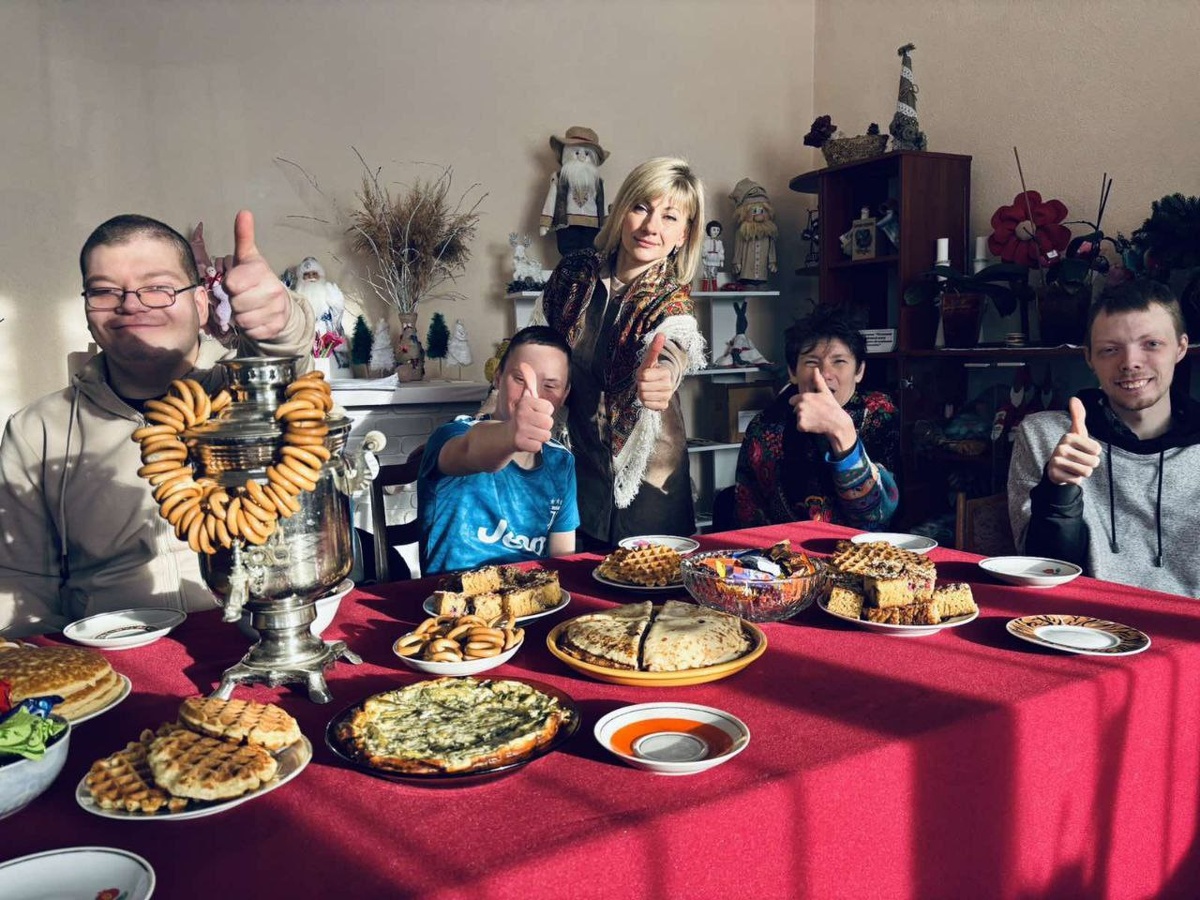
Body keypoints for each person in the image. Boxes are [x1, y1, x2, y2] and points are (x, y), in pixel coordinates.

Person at [0, 212, 315, 637]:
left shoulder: (247, 392)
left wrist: (280, 322)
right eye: (104, 291)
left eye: (158, 288)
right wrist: (42, 665)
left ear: (200, 303)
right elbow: (20, 584)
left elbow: (289, 360)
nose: (131, 304)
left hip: (258, 635)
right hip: (109, 651)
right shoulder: (37, 430)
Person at [536, 156, 708, 548]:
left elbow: (675, 341)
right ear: (621, 210)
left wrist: (663, 377)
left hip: (648, 484)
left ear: (684, 234)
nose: (651, 227)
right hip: (579, 474)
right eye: (641, 208)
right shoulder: (574, 273)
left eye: (669, 217)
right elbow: (536, 341)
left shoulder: (671, 298)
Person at [1009, 279, 1200, 597]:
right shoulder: (1046, 435)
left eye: (1151, 344)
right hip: (1082, 619)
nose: (1130, 363)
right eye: (1110, 350)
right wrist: (1059, 491)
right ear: (1089, 357)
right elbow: (1042, 569)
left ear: (1180, 348)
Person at [418, 326, 579, 575]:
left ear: (565, 393)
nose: (532, 395)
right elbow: (470, 449)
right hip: (453, 594)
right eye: (520, 379)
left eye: (550, 386)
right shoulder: (452, 435)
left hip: (530, 593)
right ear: (497, 377)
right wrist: (510, 434)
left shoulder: (561, 461)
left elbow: (562, 560)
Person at [730, 307, 899, 528]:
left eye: (839, 361)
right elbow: (748, 515)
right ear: (793, 372)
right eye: (811, 362)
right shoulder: (765, 425)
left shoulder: (878, 414)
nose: (824, 374)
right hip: (782, 545)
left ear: (859, 371)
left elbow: (877, 516)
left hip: (861, 547)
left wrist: (841, 433)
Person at [539, 126, 608, 256]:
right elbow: (551, 200)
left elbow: (602, 203)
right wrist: (545, 222)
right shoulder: (559, 179)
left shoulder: (598, 182)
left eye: (586, 154)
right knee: (567, 250)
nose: (581, 157)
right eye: (576, 153)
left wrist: (606, 225)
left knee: (590, 251)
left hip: (592, 225)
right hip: (567, 223)